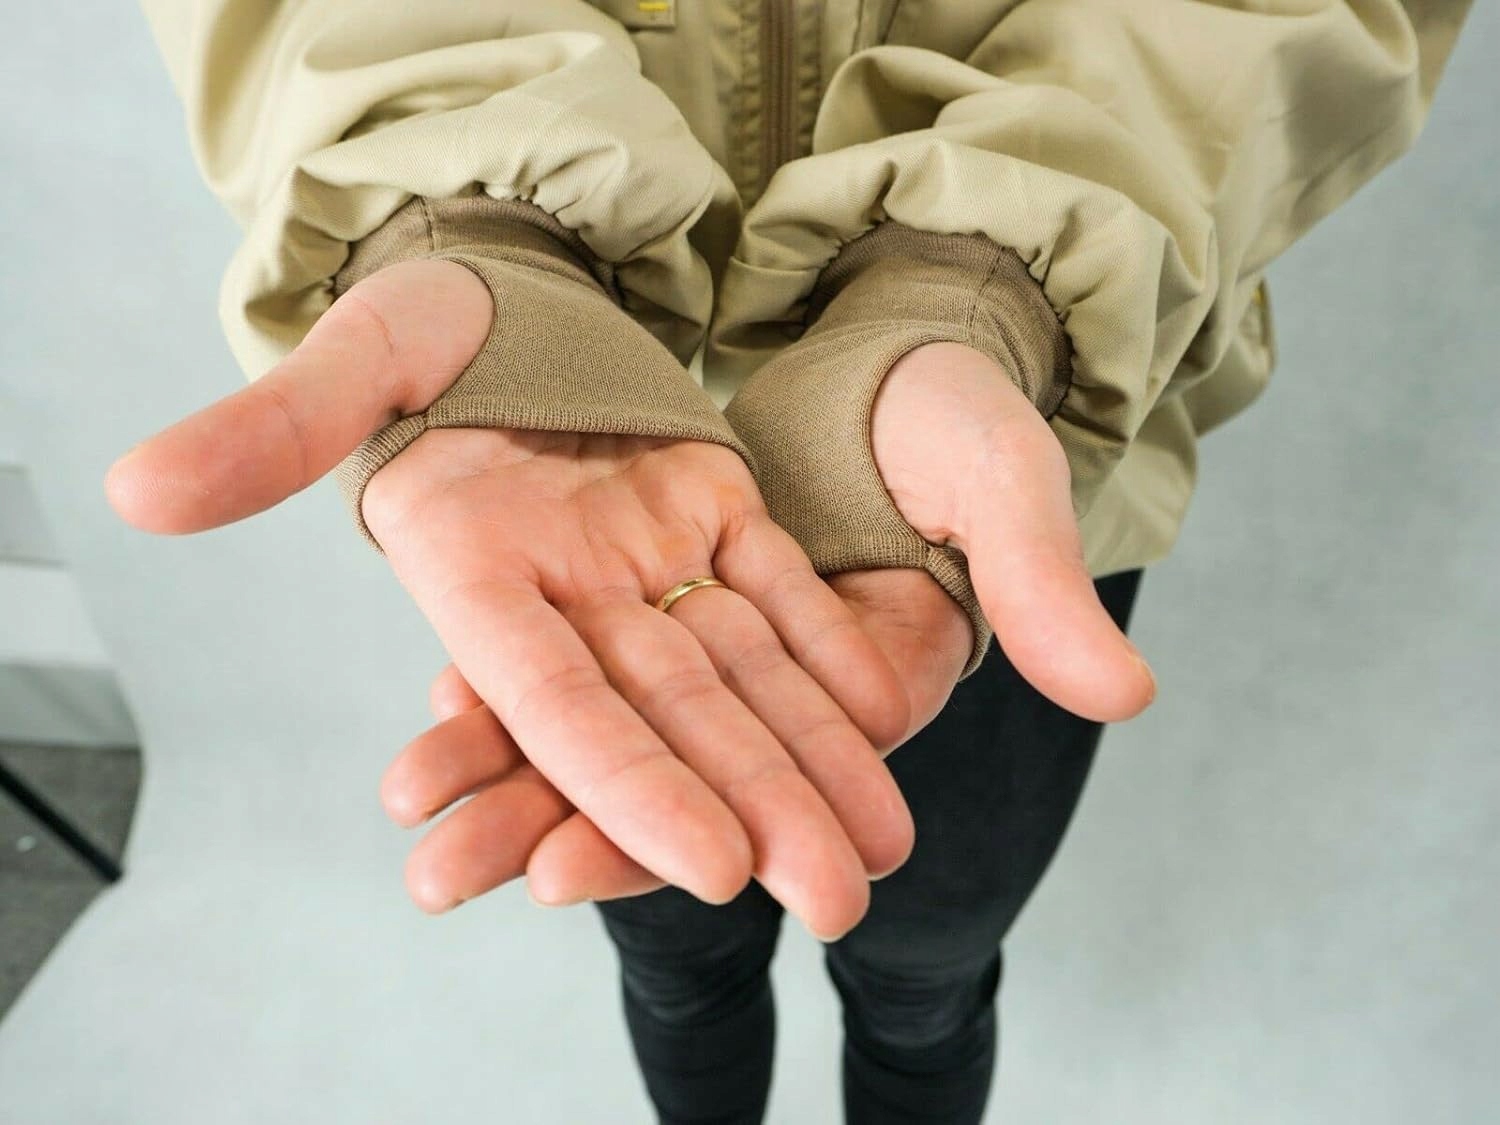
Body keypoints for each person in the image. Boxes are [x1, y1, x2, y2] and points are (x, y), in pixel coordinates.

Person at [110, 2, 1472, 1121]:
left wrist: (982, 280)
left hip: (992, 470)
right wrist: (474, 216)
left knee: (926, 969)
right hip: (579, 478)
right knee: (675, 943)